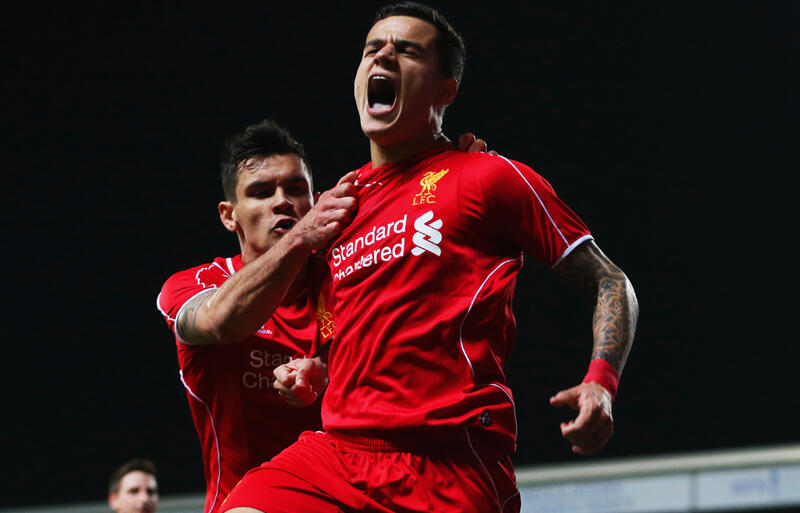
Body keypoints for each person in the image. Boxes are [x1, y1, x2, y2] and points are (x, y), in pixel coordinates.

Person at [222, 2, 638, 513]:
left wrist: (602, 383)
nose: (383, 56)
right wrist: (317, 369)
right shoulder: (337, 207)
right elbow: (342, 334)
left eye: (407, 51)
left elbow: (609, 281)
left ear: (446, 91)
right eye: (372, 49)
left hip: (448, 462)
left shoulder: (488, 176)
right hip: (338, 454)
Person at [156, 119, 493, 513]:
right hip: (249, 503)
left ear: (315, 201)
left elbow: (423, 296)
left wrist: (459, 187)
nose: (282, 202)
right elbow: (221, 321)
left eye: (295, 189)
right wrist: (302, 238)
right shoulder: (193, 285)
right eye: (262, 192)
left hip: (353, 495)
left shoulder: (348, 274)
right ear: (229, 215)